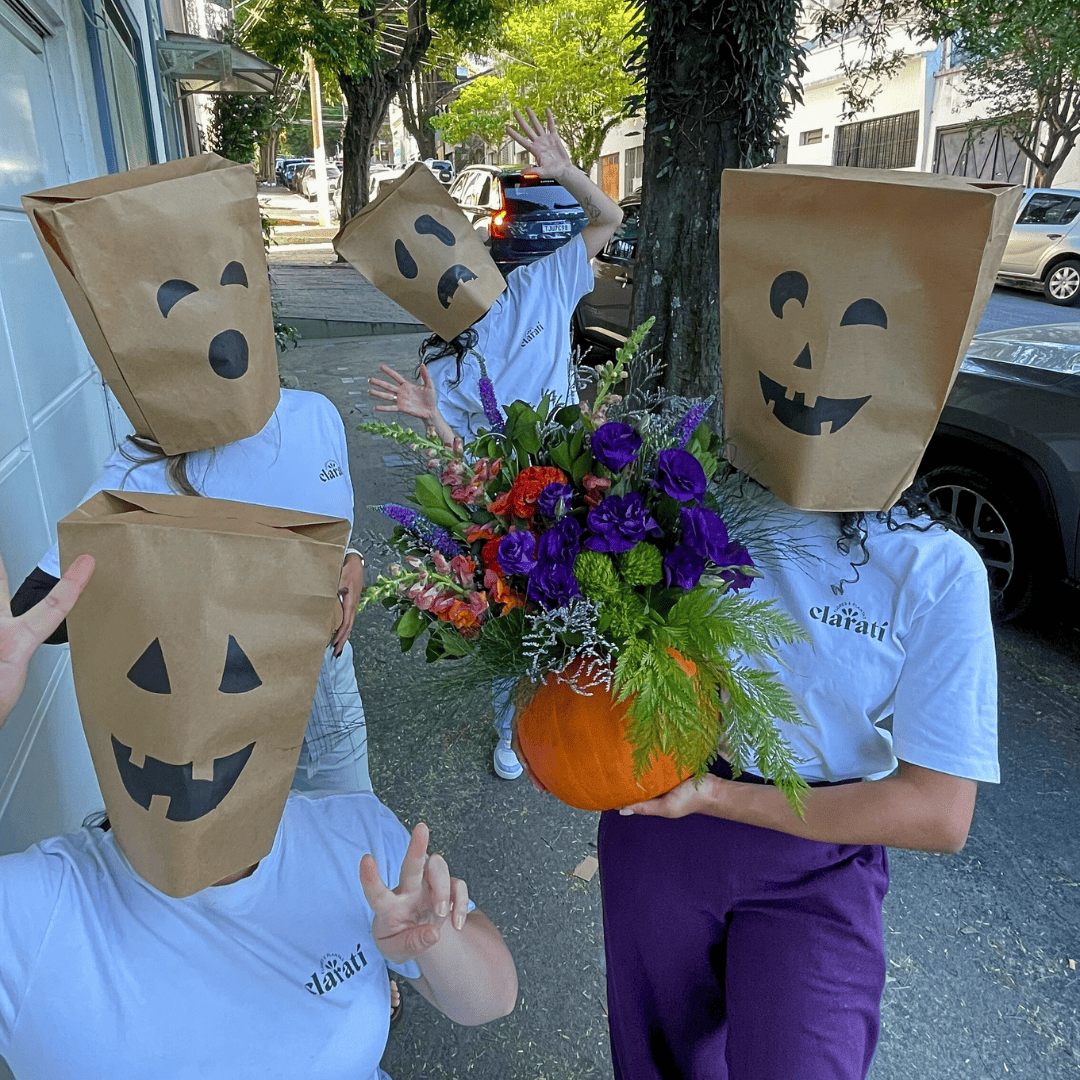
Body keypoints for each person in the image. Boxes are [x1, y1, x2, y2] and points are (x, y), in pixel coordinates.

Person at [0, 548, 518, 1080]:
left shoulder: (354, 839)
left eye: (230, 677)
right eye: (153, 678)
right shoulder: (36, 916)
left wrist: (436, 940)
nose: (190, 728)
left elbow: (493, 997)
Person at [367, 107, 624, 779]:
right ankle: (514, 727)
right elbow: (462, 455)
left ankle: (581, 718)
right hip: (502, 498)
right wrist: (431, 416)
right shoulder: (446, 362)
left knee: (583, 603)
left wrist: (565, 171)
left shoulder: (542, 283)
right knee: (511, 617)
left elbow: (609, 220)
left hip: (574, 477)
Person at [11, 388, 373, 798]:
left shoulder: (316, 412)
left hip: (325, 679)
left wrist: (352, 557)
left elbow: (328, 519)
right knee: (247, 832)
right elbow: (37, 607)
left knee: (348, 816)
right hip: (215, 698)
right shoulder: (150, 466)